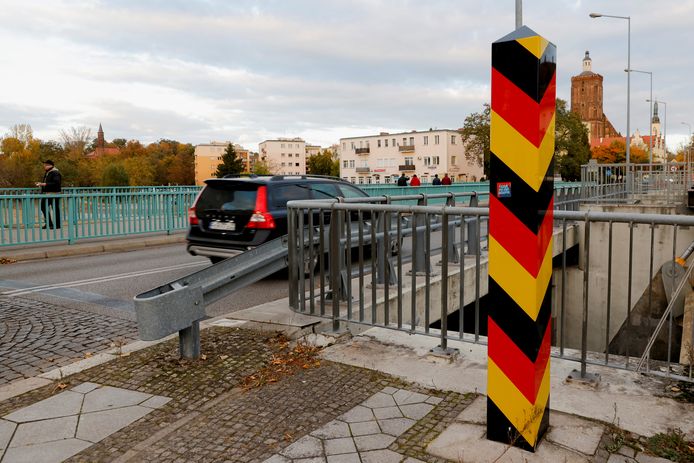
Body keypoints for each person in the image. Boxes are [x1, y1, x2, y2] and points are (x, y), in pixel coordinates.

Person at [36, 159, 62, 229]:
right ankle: (50, 224)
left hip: (54, 193)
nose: (44, 166)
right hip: (48, 194)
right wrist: (42, 184)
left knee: (54, 209)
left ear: (50, 165)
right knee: (45, 207)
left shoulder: (55, 172)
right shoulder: (48, 172)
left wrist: (44, 184)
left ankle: (55, 224)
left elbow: (57, 183)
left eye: (45, 165)